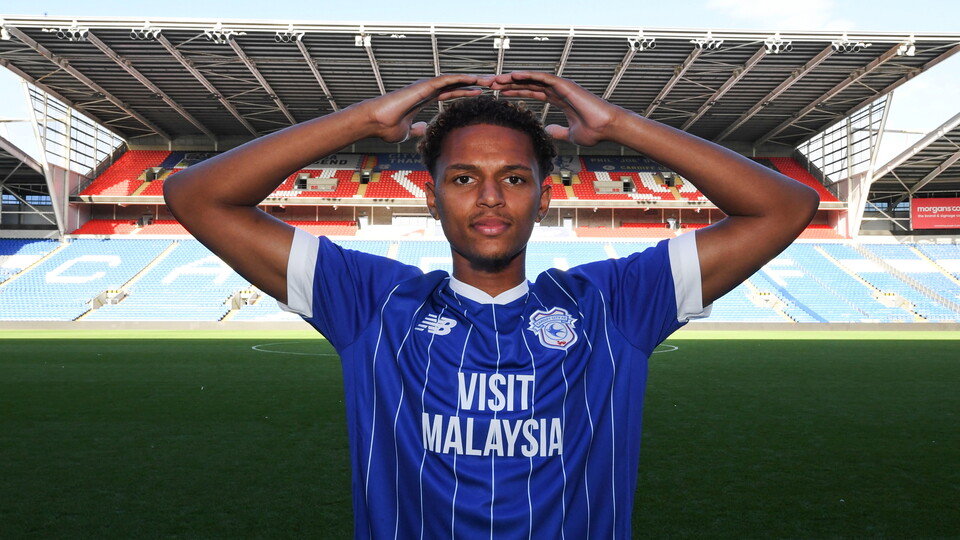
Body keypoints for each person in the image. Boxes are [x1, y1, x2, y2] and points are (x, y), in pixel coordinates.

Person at [164, 72, 819, 539]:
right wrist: (364, 120)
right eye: (462, 178)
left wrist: (620, 125)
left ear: (545, 198)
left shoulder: (613, 303)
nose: (489, 198)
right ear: (431, 198)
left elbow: (787, 206)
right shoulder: (371, 301)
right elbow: (197, 196)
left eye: (513, 178)